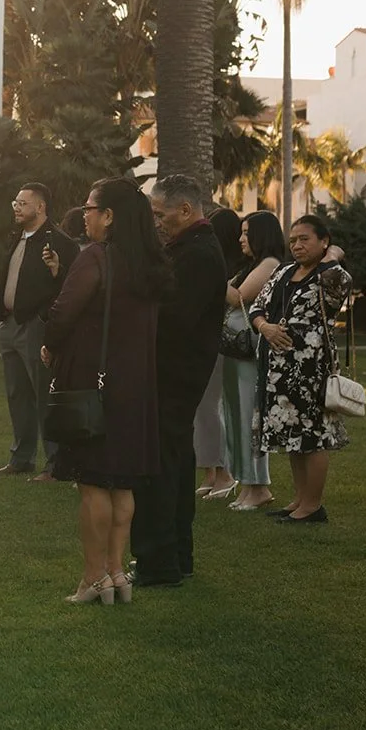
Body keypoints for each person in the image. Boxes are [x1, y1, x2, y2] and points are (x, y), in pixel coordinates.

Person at [43, 178, 170, 604]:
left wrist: (50, 343)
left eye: (89, 208)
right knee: (122, 485)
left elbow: (63, 314)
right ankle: (118, 573)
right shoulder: (150, 262)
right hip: (136, 385)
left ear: (109, 215)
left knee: (94, 482)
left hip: (94, 384)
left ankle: (93, 578)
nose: (85, 216)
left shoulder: (94, 257)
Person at [135, 176, 227, 588]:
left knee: (162, 467)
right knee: (172, 462)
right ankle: (175, 558)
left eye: (160, 214)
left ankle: (160, 562)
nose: (156, 222)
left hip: (176, 373)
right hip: (175, 372)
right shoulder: (189, 248)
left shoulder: (199, 253)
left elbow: (173, 318)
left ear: (185, 211)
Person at [250, 215, 352, 525]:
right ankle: (298, 500)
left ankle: (312, 506)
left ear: (324, 241)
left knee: (312, 436)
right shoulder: (283, 271)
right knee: (292, 435)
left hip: (311, 368)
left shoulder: (333, 275)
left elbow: (337, 286)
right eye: (293, 240)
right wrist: (265, 327)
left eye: (305, 239)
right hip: (277, 368)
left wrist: (332, 256)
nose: (297, 245)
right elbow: (257, 306)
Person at [0, 182, 78, 482]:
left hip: (35, 328)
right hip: (10, 325)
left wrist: (43, 319)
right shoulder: (17, 238)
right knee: (17, 394)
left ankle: (55, 463)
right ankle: (21, 457)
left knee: (43, 395)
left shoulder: (60, 242)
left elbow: (71, 287)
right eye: (15, 202)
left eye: (23, 203)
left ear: (40, 207)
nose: (16, 207)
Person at [223, 211, 287, 511]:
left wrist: (213, 273)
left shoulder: (269, 264)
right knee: (235, 414)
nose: (241, 239)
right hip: (234, 352)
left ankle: (258, 485)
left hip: (249, 352)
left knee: (250, 416)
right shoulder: (251, 265)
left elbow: (238, 298)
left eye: (247, 232)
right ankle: (246, 483)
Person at [193, 207, 242, 501]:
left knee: (210, 409)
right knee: (202, 410)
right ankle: (210, 472)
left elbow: (235, 298)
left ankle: (224, 472)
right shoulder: (215, 261)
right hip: (206, 340)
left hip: (220, 342)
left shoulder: (229, 267)